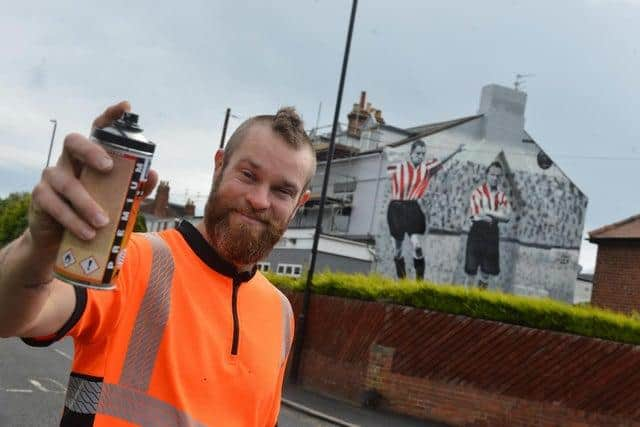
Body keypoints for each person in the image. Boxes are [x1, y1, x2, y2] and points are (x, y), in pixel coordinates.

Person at [0, 101, 316, 426]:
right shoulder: (134, 261)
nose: (260, 200)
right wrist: (36, 246)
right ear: (219, 165)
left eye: (282, 191)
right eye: (248, 175)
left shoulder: (281, 315)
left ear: (300, 203)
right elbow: (11, 315)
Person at [386, 140, 463, 280]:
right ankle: (402, 278)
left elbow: (441, 161)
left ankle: (419, 281)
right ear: (411, 153)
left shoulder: (426, 169)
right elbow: (388, 156)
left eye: (423, 154)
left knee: (417, 245)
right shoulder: (398, 167)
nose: (420, 156)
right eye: (417, 153)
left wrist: (456, 150)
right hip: (396, 208)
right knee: (398, 249)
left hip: (412, 207)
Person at [464, 161, 510, 290]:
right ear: (487, 175)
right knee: (471, 271)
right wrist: (496, 215)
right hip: (477, 233)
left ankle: (479, 300)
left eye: (498, 176)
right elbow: (476, 215)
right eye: (492, 174)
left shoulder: (501, 196)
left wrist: (488, 212)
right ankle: (466, 299)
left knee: (486, 273)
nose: (495, 178)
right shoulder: (477, 192)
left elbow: (506, 217)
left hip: (492, 234)